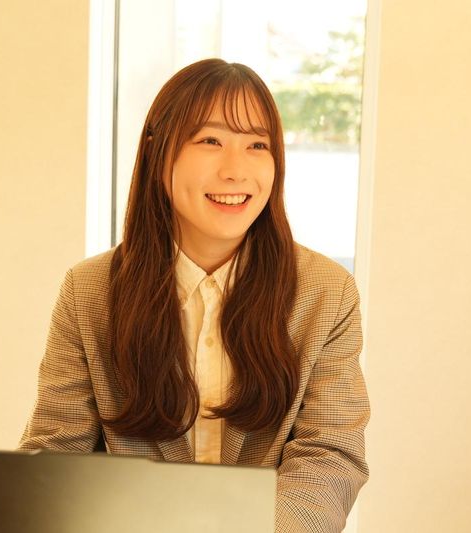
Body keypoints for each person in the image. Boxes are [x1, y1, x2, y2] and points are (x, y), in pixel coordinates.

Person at [18, 58, 370, 532]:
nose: (236, 170)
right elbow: (57, 454)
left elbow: (329, 457)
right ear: (158, 151)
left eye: (257, 145)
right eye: (210, 141)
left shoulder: (326, 292)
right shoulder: (89, 291)